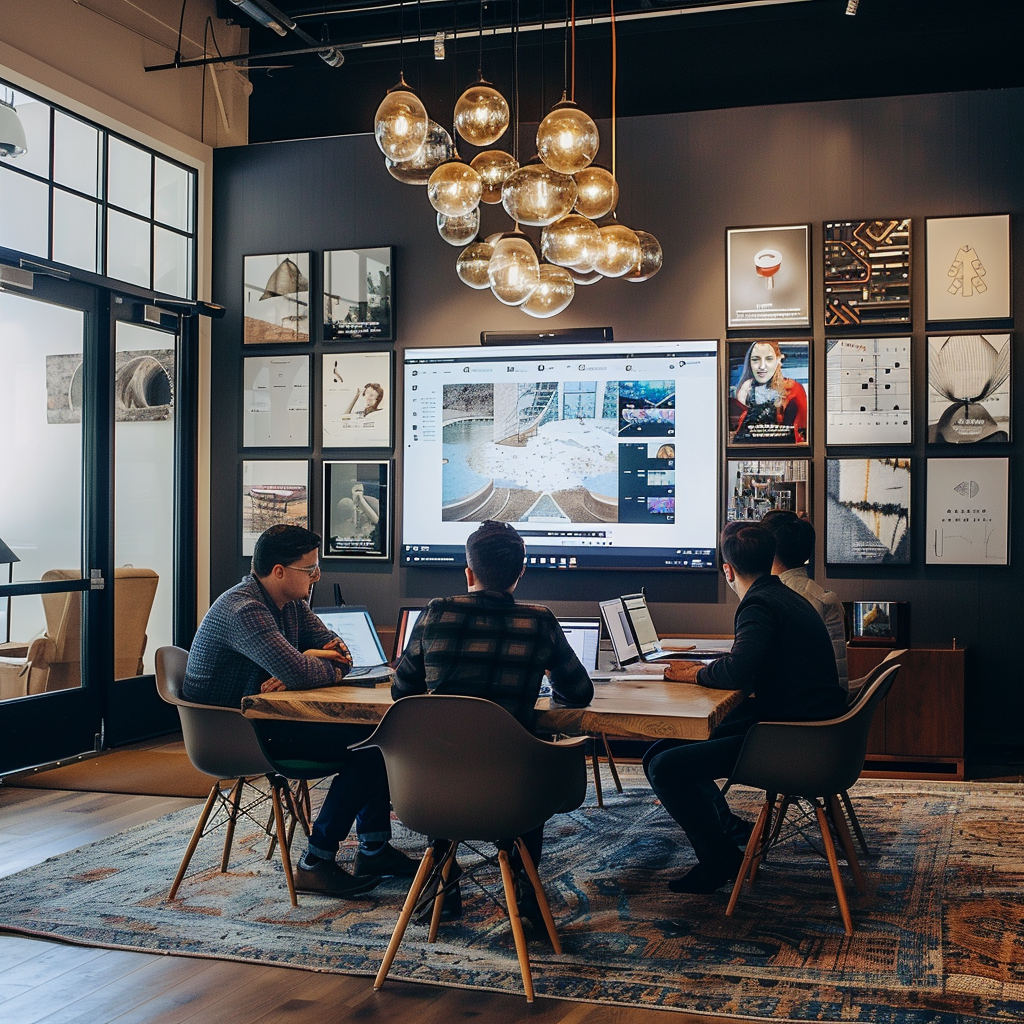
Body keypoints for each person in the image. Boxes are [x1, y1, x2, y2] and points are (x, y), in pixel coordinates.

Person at [183, 524, 417, 898]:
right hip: (238, 734)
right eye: (310, 569)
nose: (316, 576)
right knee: (371, 748)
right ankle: (316, 862)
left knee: (376, 739)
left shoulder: (291, 604)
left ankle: (373, 850)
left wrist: (308, 660)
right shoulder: (245, 609)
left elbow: (342, 653)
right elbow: (297, 670)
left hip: (271, 718)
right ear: (279, 571)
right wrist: (299, 666)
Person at [392, 520, 594, 927]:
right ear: (521, 573)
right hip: (514, 793)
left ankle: (441, 894)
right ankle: (527, 897)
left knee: (450, 754)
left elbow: (402, 691)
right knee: (524, 760)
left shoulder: (435, 613)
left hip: (432, 787)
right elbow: (580, 692)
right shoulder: (539, 621)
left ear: (468, 572)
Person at [642, 521, 845, 894]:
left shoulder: (758, 603)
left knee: (665, 767)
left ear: (727, 571)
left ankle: (719, 860)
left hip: (791, 740)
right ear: (770, 561)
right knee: (661, 750)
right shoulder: (786, 595)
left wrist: (694, 674)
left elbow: (737, 670)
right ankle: (725, 841)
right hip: (809, 730)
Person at [760, 510, 849, 693]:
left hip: (797, 710)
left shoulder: (772, 600)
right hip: (829, 705)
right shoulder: (823, 597)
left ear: (768, 550)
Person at [730, 340, 807, 444]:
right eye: (755, 360)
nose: (762, 366)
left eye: (769, 359)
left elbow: (802, 435)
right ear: (750, 363)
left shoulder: (793, 389)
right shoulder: (745, 389)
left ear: (778, 360)